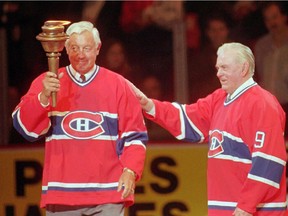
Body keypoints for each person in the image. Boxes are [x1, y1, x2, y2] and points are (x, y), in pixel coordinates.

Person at [129, 42, 287, 215]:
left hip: (254, 211)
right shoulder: (220, 98)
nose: (219, 73)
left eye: (224, 68)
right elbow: (189, 120)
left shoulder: (263, 104)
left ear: (244, 68)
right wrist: (151, 106)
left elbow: (269, 162)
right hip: (226, 209)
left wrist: (246, 206)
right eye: (218, 68)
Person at [12, 21, 148, 216]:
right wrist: (42, 98)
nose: (81, 54)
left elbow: (135, 136)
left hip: (108, 191)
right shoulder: (48, 82)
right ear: (66, 48)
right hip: (62, 191)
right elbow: (24, 129)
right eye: (74, 48)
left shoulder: (118, 85)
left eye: (86, 48)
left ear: (98, 49)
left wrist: (130, 170)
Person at [254, 2, 288, 138]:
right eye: (267, 19)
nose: (272, 23)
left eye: (275, 17)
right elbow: (259, 75)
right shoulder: (261, 45)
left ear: (284, 17)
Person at [188, 12, 231, 103]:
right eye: (213, 30)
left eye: (221, 29)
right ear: (208, 33)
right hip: (210, 106)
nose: (217, 34)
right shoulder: (200, 59)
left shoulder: (239, 54)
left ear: (227, 31)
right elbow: (196, 88)